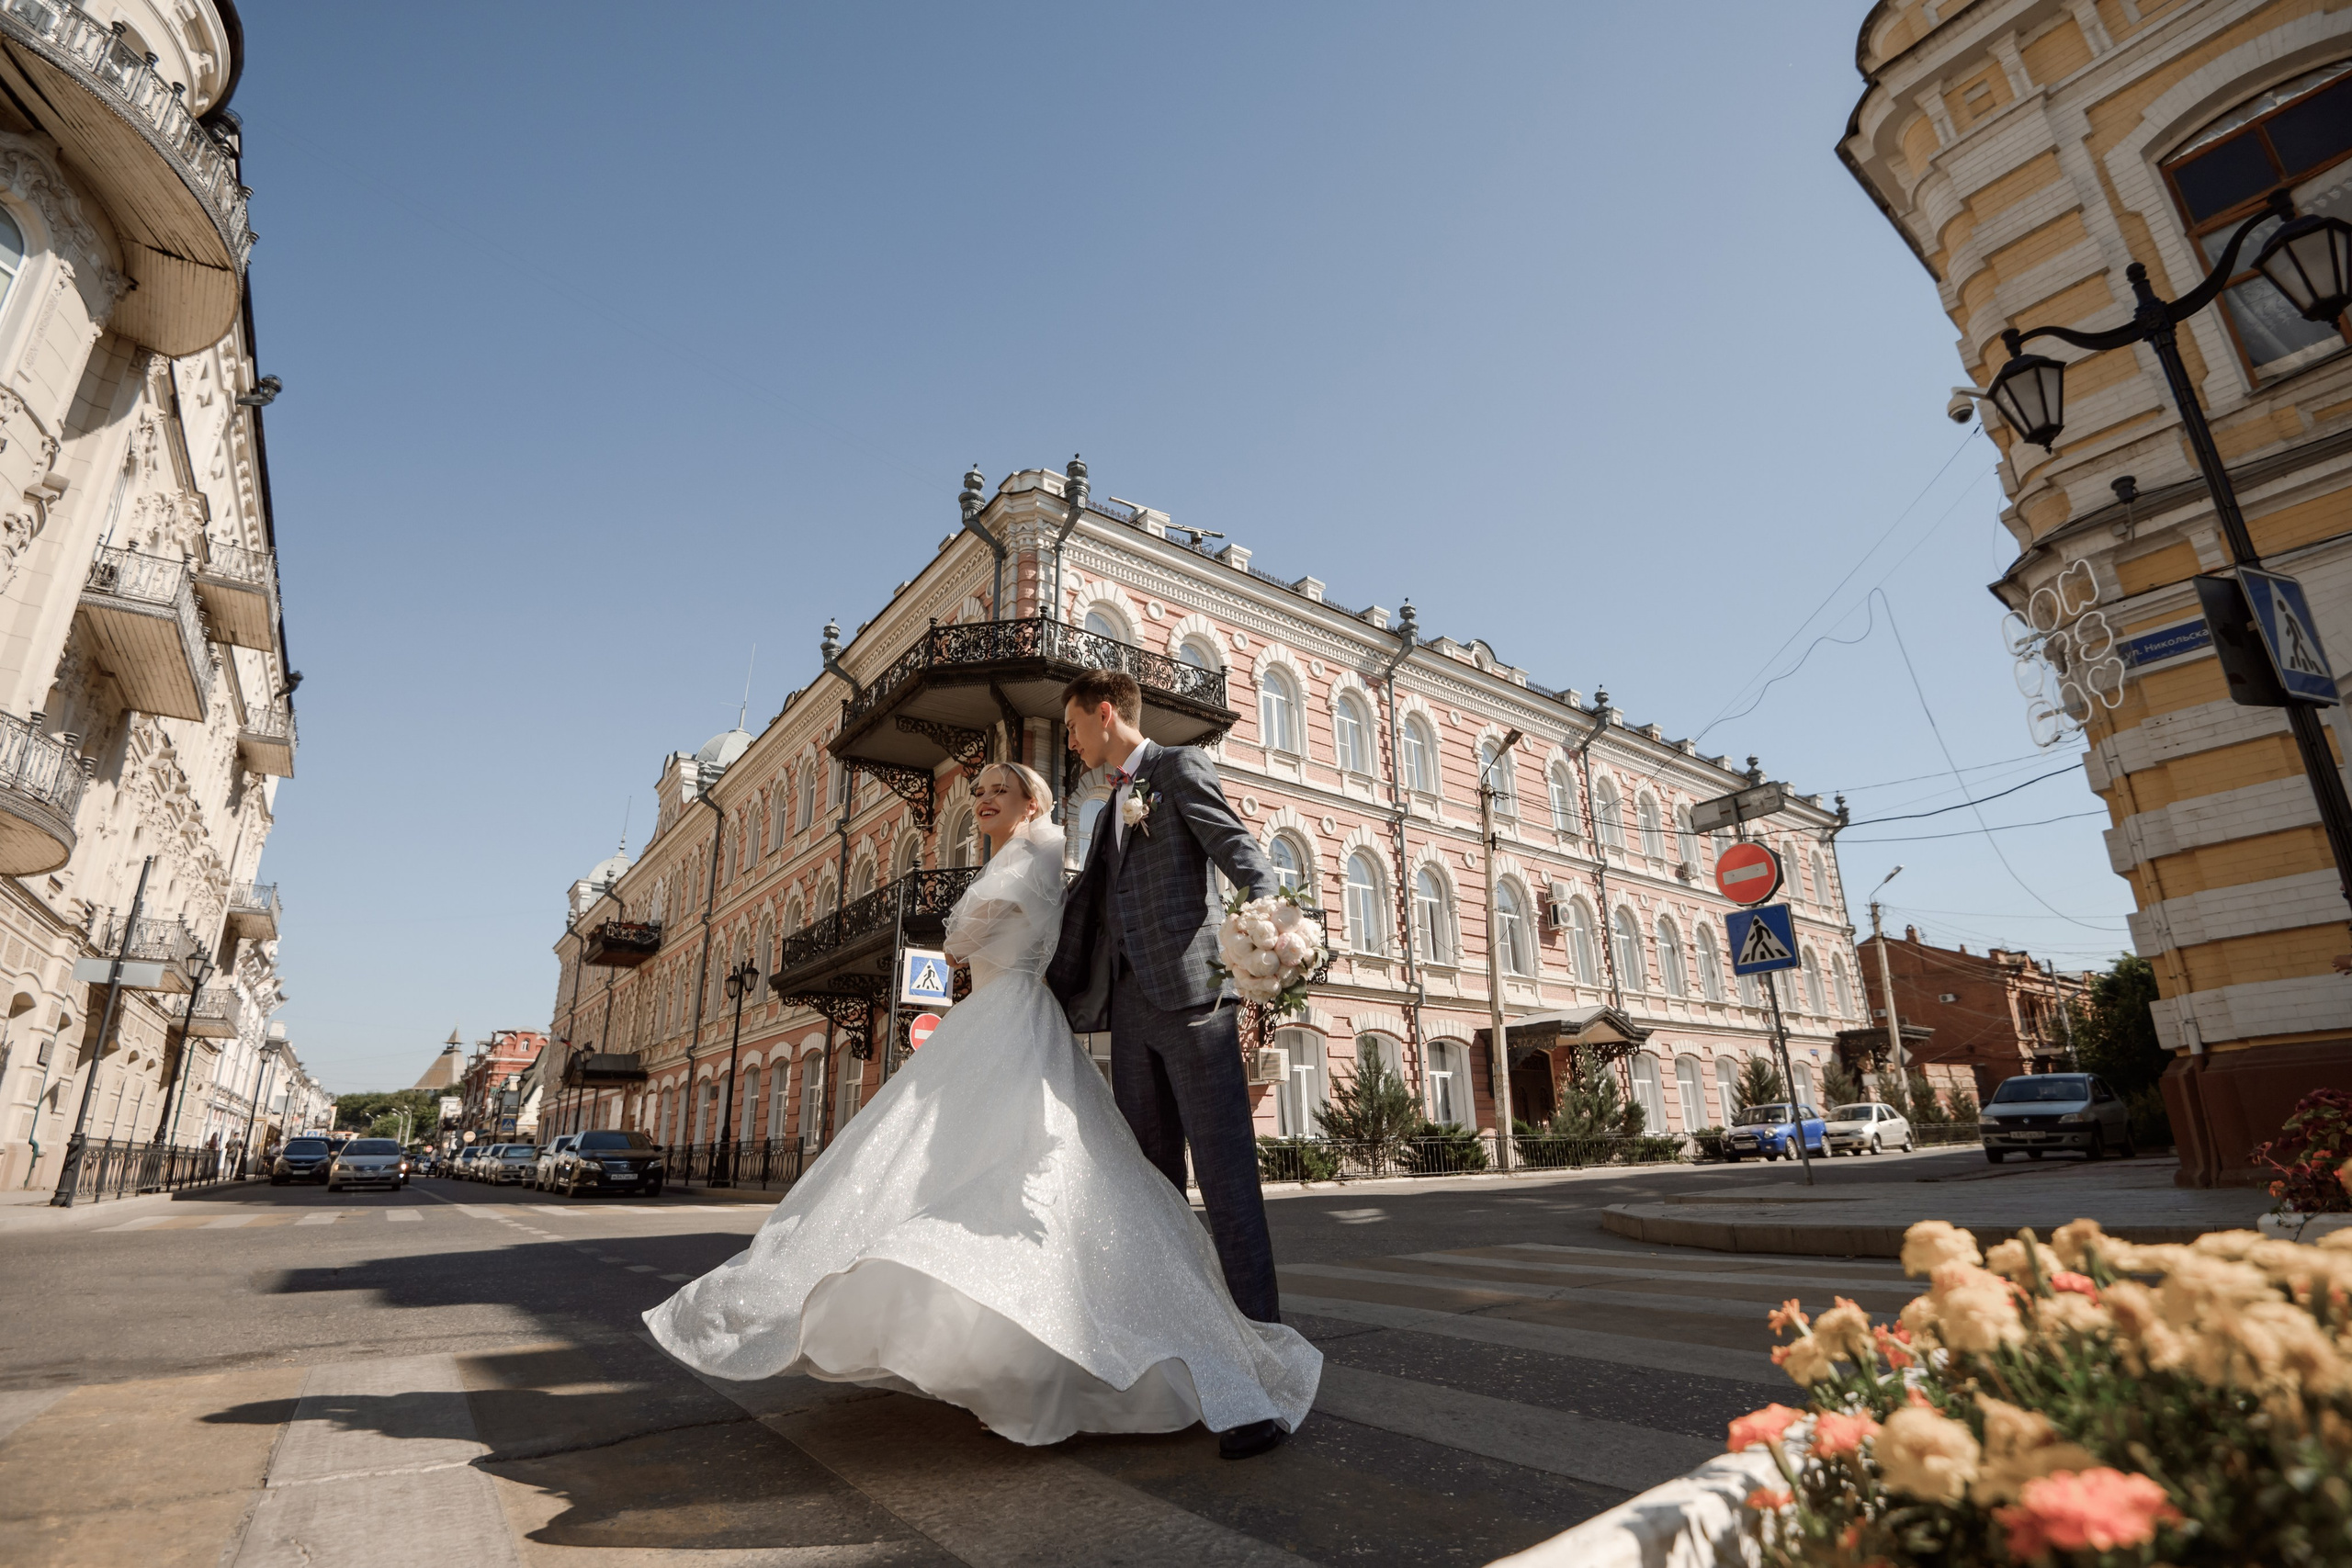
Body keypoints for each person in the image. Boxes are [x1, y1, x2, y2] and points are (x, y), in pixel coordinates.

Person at [645, 760, 1319, 1450]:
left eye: (1000, 790)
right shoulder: (1010, 857)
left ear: (1032, 802)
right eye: (979, 791)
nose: (984, 799)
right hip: (989, 1017)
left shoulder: (1044, 846)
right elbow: (968, 938)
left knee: (1025, 1174)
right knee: (950, 1165)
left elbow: (980, 934)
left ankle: (1072, 1357)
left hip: (1021, 1015)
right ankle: (992, 1354)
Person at [1046, 668, 1293, 1460]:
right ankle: (1176, 1379)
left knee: (1227, 1192)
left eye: (1075, 727)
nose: (1072, 742)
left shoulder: (1178, 769)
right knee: (1152, 1199)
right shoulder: (1105, 807)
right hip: (1130, 1016)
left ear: (1105, 711)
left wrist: (1269, 937)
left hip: (1194, 1008)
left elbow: (1244, 856)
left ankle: (1263, 1388)